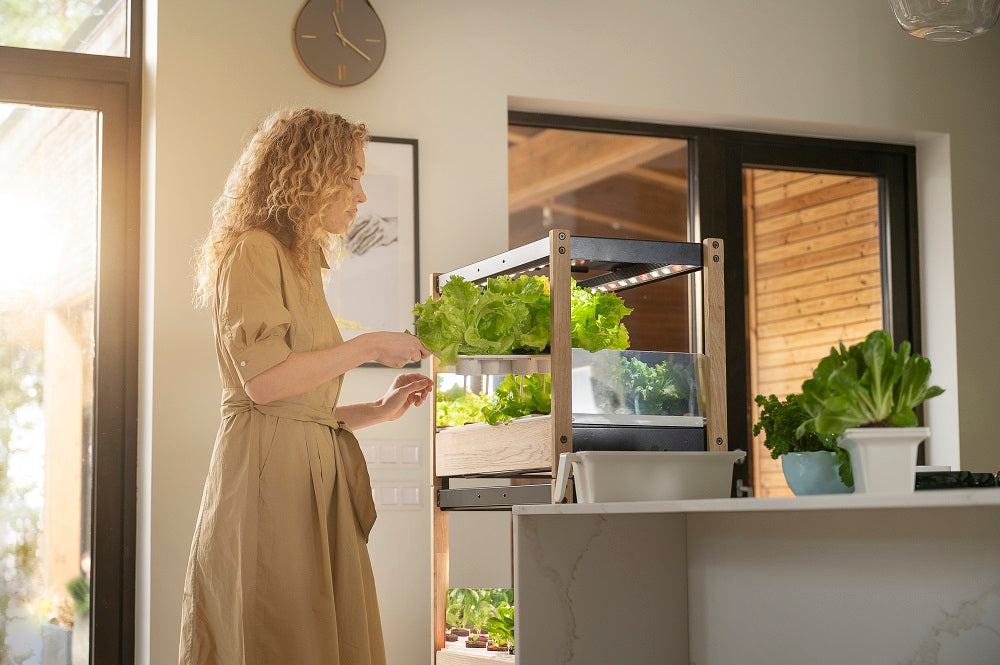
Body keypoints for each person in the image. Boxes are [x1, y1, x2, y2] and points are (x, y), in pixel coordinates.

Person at [179, 108, 433, 665]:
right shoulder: (253, 250)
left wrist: (380, 410)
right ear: (307, 174)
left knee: (318, 638)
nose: (360, 195)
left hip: (307, 474)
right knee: (280, 637)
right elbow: (265, 384)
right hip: (270, 482)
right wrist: (370, 347)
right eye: (350, 177)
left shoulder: (300, 262)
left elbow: (303, 404)